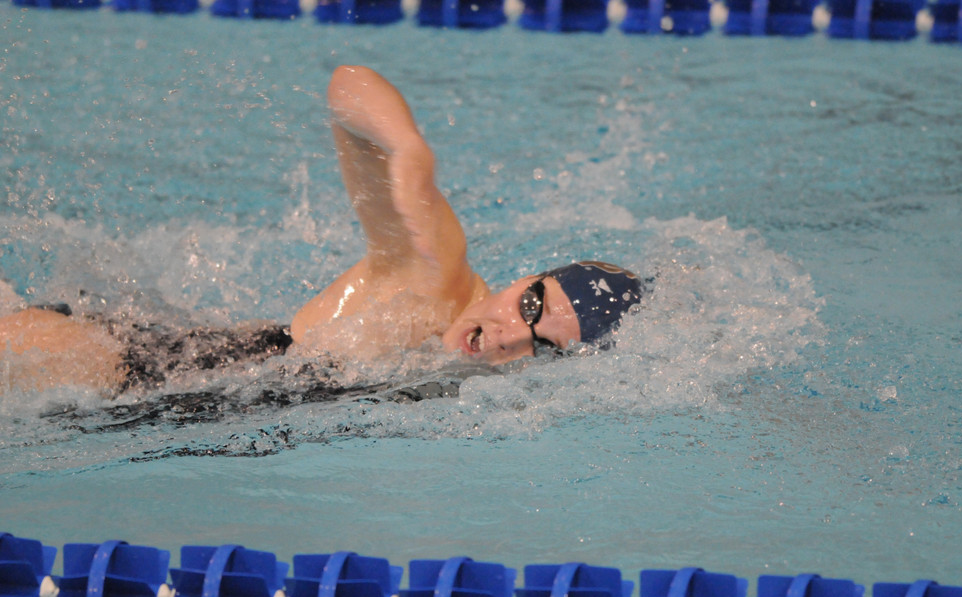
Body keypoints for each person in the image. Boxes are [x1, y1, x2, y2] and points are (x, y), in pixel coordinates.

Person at [0, 66, 641, 396]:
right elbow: (348, 87)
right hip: (107, 366)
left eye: (545, 346)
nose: (508, 336)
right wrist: (408, 150)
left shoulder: (474, 397)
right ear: (523, 277)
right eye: (531, 305)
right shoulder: (437, 280)